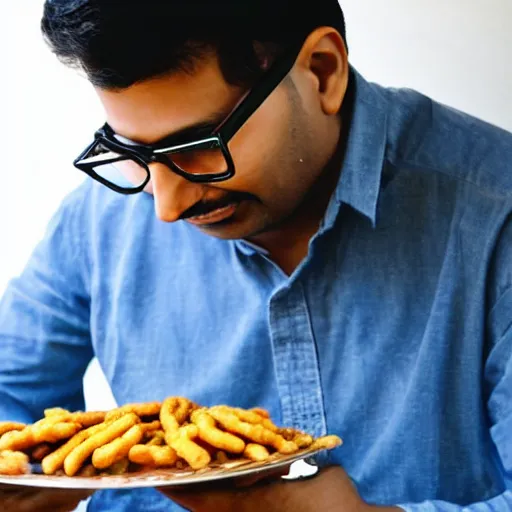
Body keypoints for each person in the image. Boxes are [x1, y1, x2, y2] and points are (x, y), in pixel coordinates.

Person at [0, 0, 511, 510]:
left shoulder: (495, 213)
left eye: (199, 145)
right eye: (134, 152)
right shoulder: (96, 219)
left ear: (321, 72)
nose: (167, 207)